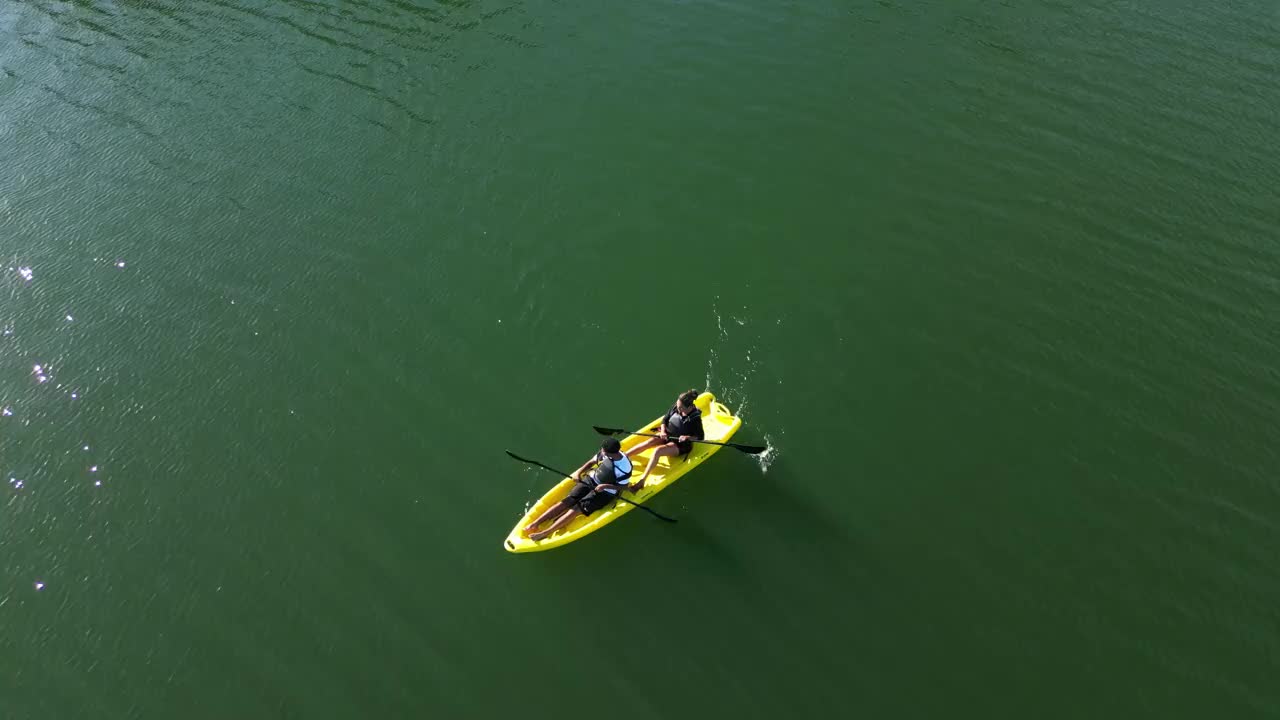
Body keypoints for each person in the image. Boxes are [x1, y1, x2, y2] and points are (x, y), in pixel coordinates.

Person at [523, 437, 635, 541]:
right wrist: (579, 472)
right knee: (569, 500)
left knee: (577, 508)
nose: (601, 450)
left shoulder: (625, 467)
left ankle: (546, 533)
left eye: (603, 450)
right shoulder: (605, 453)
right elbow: (591, 462)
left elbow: (624, 487)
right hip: (591, 479)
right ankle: (536, 523)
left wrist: (605, 486)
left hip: (606, 492)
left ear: (611, 452)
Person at [627, 389, 705, 491]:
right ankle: (624, 456)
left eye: (681, 407)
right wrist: (663, 431)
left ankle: (642, 481)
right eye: (678, 405)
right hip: (667, 435)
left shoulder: (695, 419)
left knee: (657, 451)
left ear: (690, 407)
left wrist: (687, 437)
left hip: (679, 445)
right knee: (648, 443)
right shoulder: (677, 406)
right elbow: (664, 420)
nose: (678, 408)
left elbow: (700, 437)